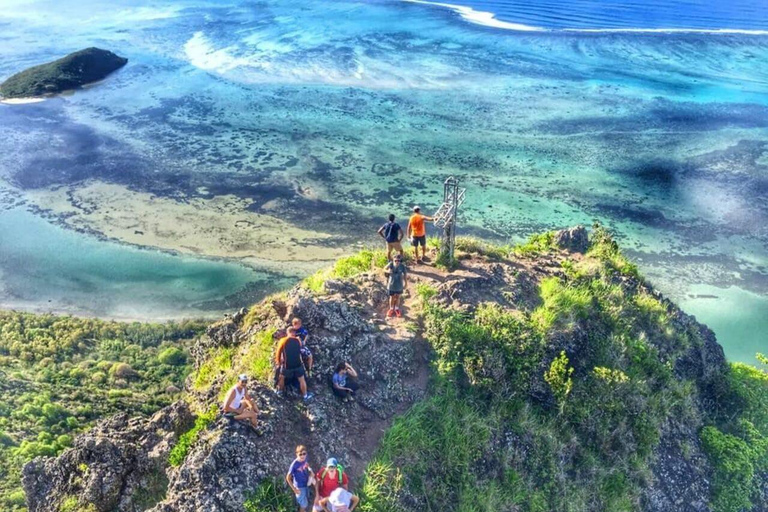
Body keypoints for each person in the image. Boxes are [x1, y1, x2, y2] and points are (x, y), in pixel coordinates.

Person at [276, 326, 314, 401]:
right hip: (298, 364)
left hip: (287, 365)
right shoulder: (298, 341)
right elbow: (303, 351)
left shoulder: (283, 340)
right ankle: (305, 395)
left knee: (282, 378)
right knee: (302, 380)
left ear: (287, 332)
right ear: (294, 333)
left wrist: (279, 362)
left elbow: (278, 352)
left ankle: (279, 392)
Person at [287, 445, 315, 512]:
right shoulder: (294, 464)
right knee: (304, 504)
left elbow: (306, 465)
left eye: (304, 454)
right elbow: (288, 478)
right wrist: (294, 489)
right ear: (297, 454)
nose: (302, 456)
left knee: (306, 500)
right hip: (299, 487)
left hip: (306, 484)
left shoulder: (305, 459)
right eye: (300, 454)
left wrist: (310, 471)